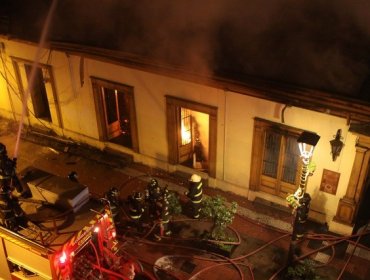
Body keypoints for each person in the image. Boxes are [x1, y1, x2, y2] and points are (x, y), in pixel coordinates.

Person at [0, 143, 27, 231]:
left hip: (5, 188)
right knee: (8, 205)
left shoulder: (4, 162)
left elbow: (9, 173)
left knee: (9, 204)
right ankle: (16, 224)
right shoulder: (4, 162)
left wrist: (12, 165)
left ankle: (16, 221)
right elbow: (9, 173)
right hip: (4, 189)